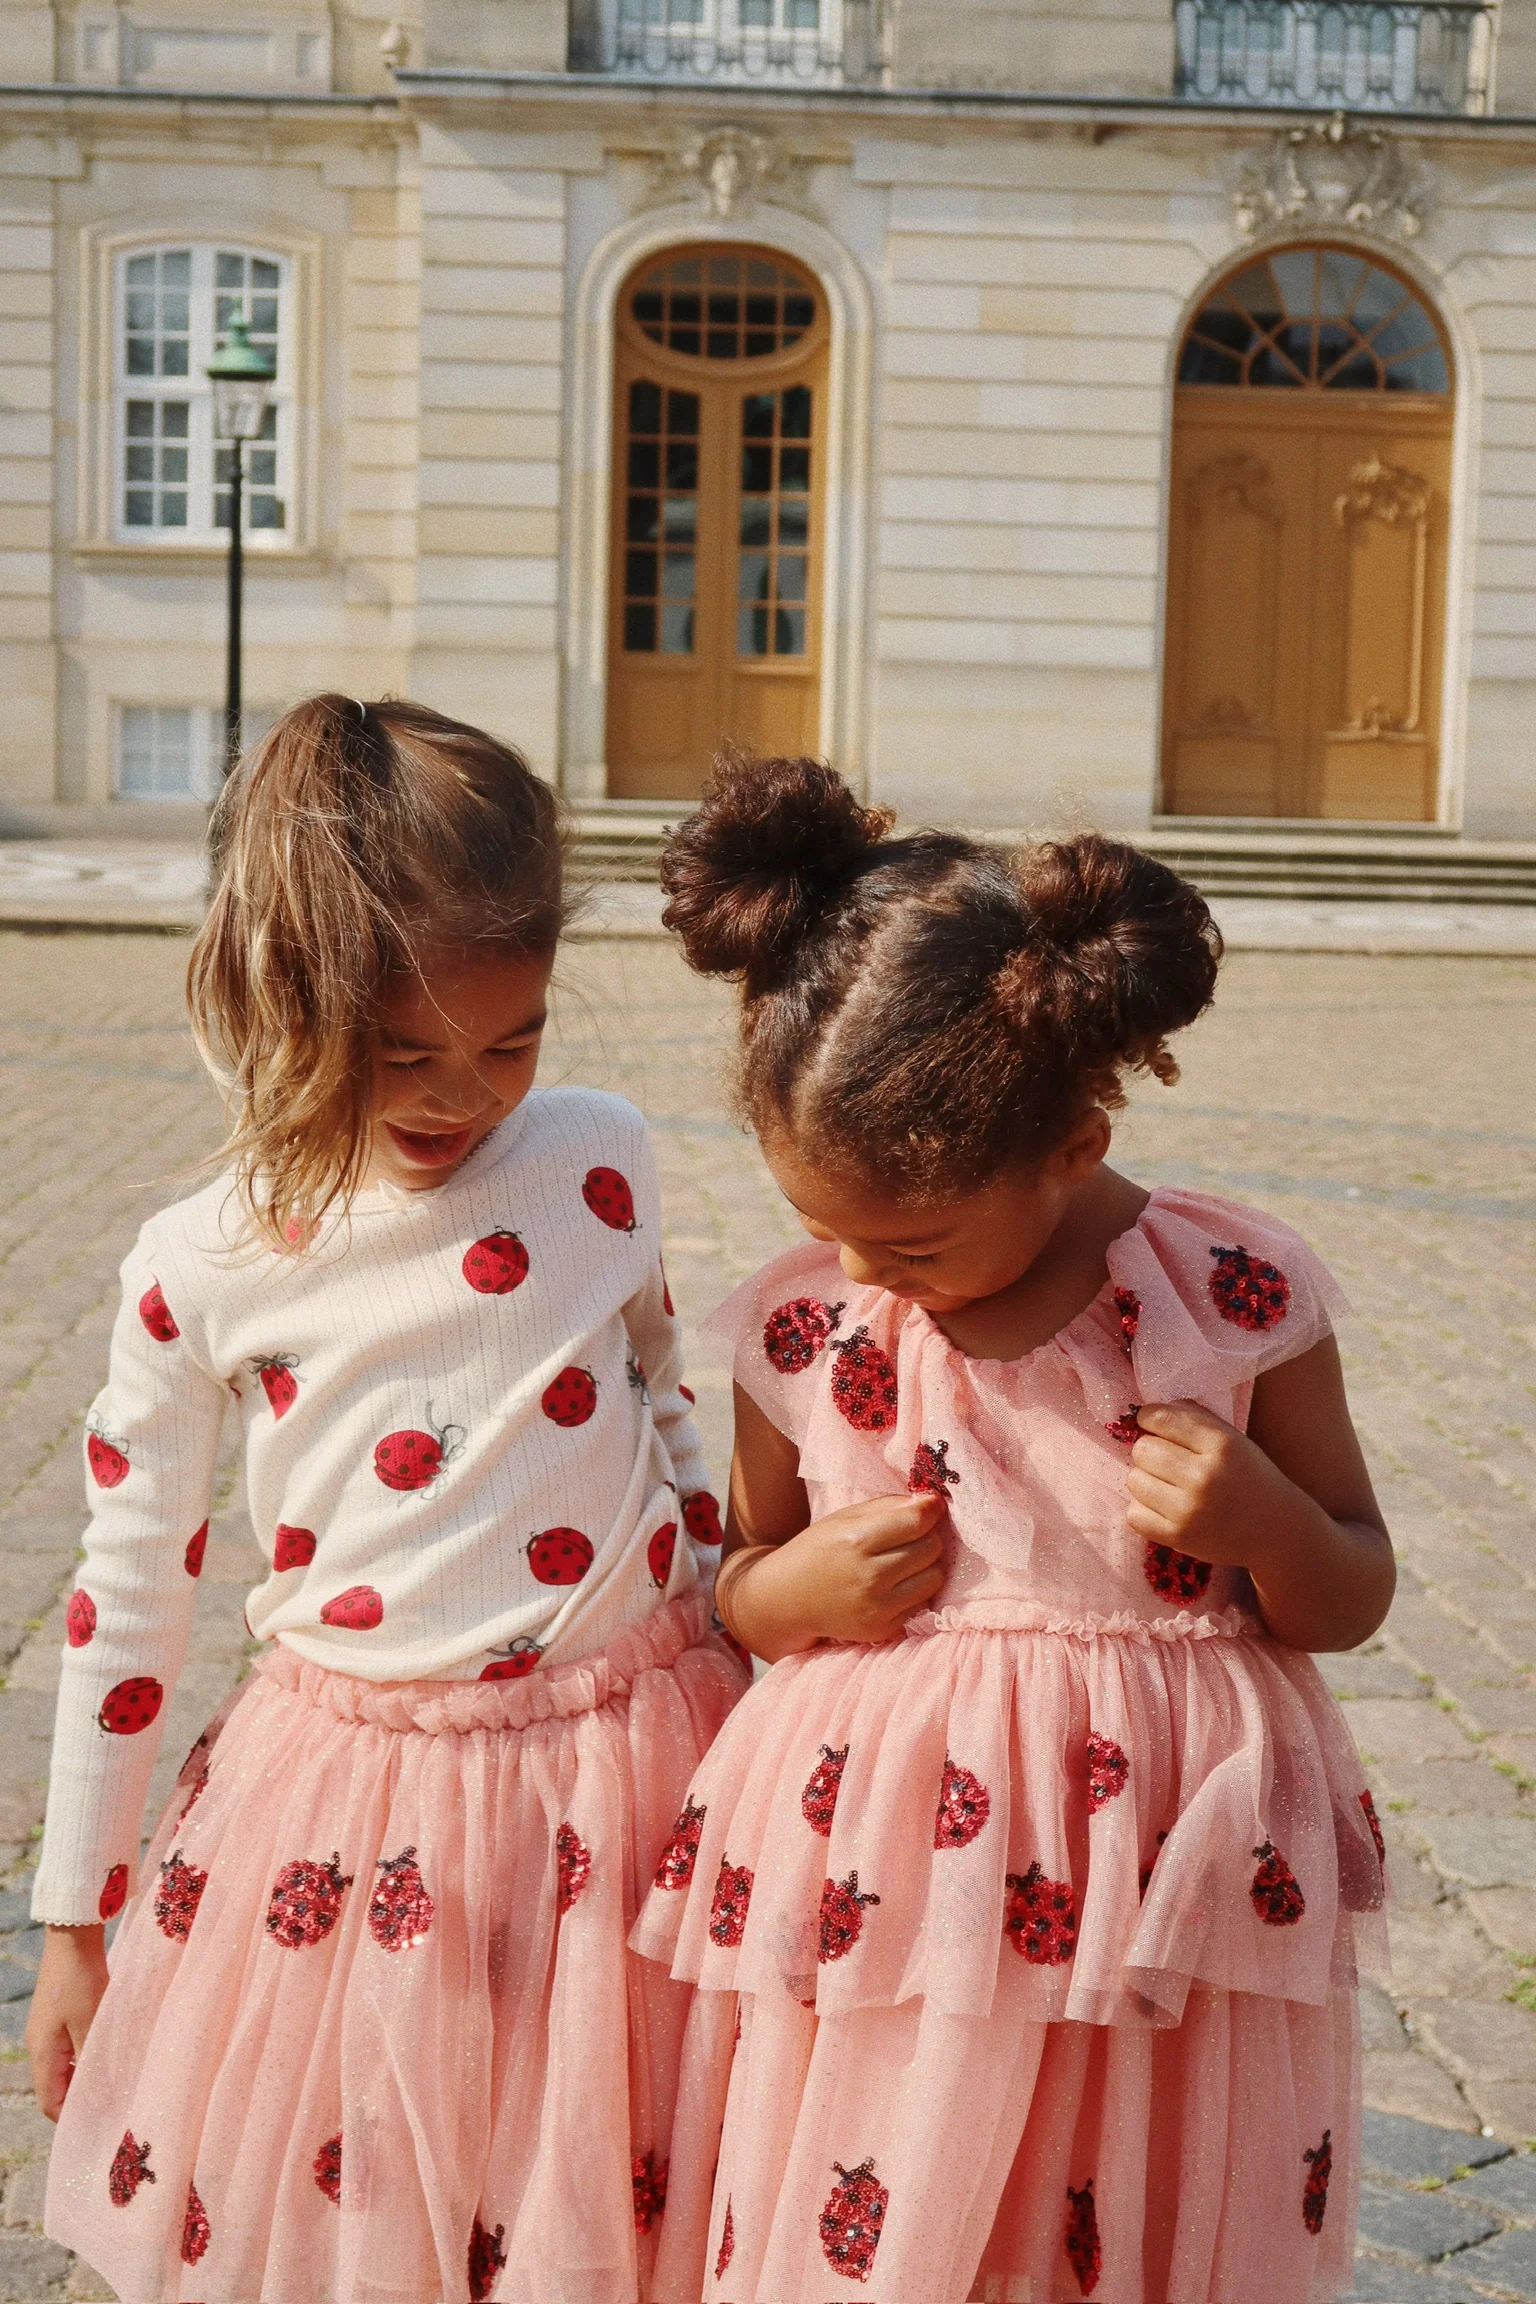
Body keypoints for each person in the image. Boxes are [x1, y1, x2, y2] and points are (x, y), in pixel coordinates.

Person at [632, 752, 1395, 2304]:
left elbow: (1353, 1586)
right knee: (907, 2202)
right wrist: (791, 1595)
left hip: (1158, 1885)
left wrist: (1263, 1522)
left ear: (1073, 1143)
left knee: (1124, 2206)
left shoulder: (1228, 1298)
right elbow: (735, 1588)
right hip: (898, 1886)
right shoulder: (807, 1328)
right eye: (826, 1227)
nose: (864, 1273)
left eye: (911, 1243)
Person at [26, 695, 744, 2304]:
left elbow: (659, 1395)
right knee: (388, 2206)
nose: (462, 1094)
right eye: (405, 1053)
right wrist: (76, 1924)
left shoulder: (599, 1155)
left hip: (635, 1766)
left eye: (513, 1041)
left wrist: (727, 1607)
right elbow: (128, 1594)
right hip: (363, 1818)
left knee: (612, 2183)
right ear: (283, 993)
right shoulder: (202, 1260)